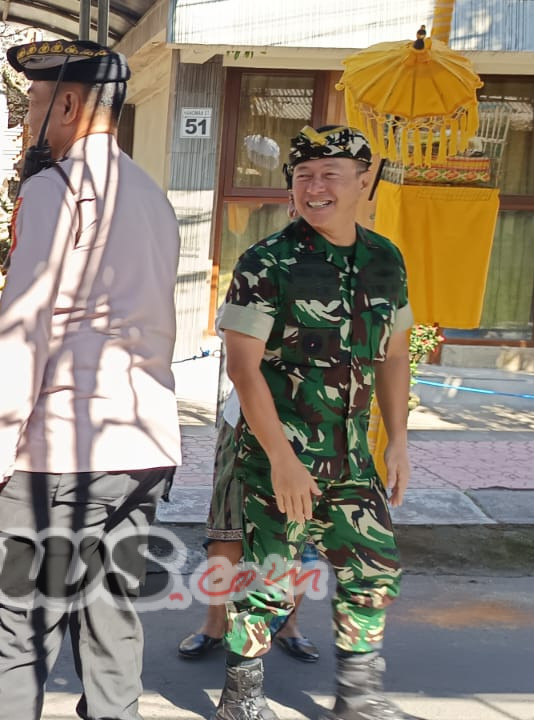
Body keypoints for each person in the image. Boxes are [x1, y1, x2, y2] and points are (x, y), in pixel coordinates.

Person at [0, 40, 182, 720]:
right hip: (140, 451)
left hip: (60, 457)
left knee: (16, 637)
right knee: (112, 629)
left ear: (71, 105)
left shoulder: (55, 191)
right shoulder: (150, 194)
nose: (28, 123)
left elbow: (25, 335)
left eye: (32, 107)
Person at [212, 125, 415, 720]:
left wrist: (399, 440)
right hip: (282, 455)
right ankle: (241, 699)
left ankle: (358, 696)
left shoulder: (385, 259)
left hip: (351, 457)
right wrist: (280, 458)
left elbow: (395, 354)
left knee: (373, 565)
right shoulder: (267, 262)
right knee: (269, 577)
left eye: (330, 174)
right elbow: (243, 370)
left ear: (362, 182)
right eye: (303, 176)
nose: (315, 187)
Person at [177, 383, 321, 664]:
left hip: (315, 427)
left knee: (302, 529)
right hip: (247, 417)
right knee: (226, 527)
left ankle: (287, 624)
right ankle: (215, 624)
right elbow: (240, 357)